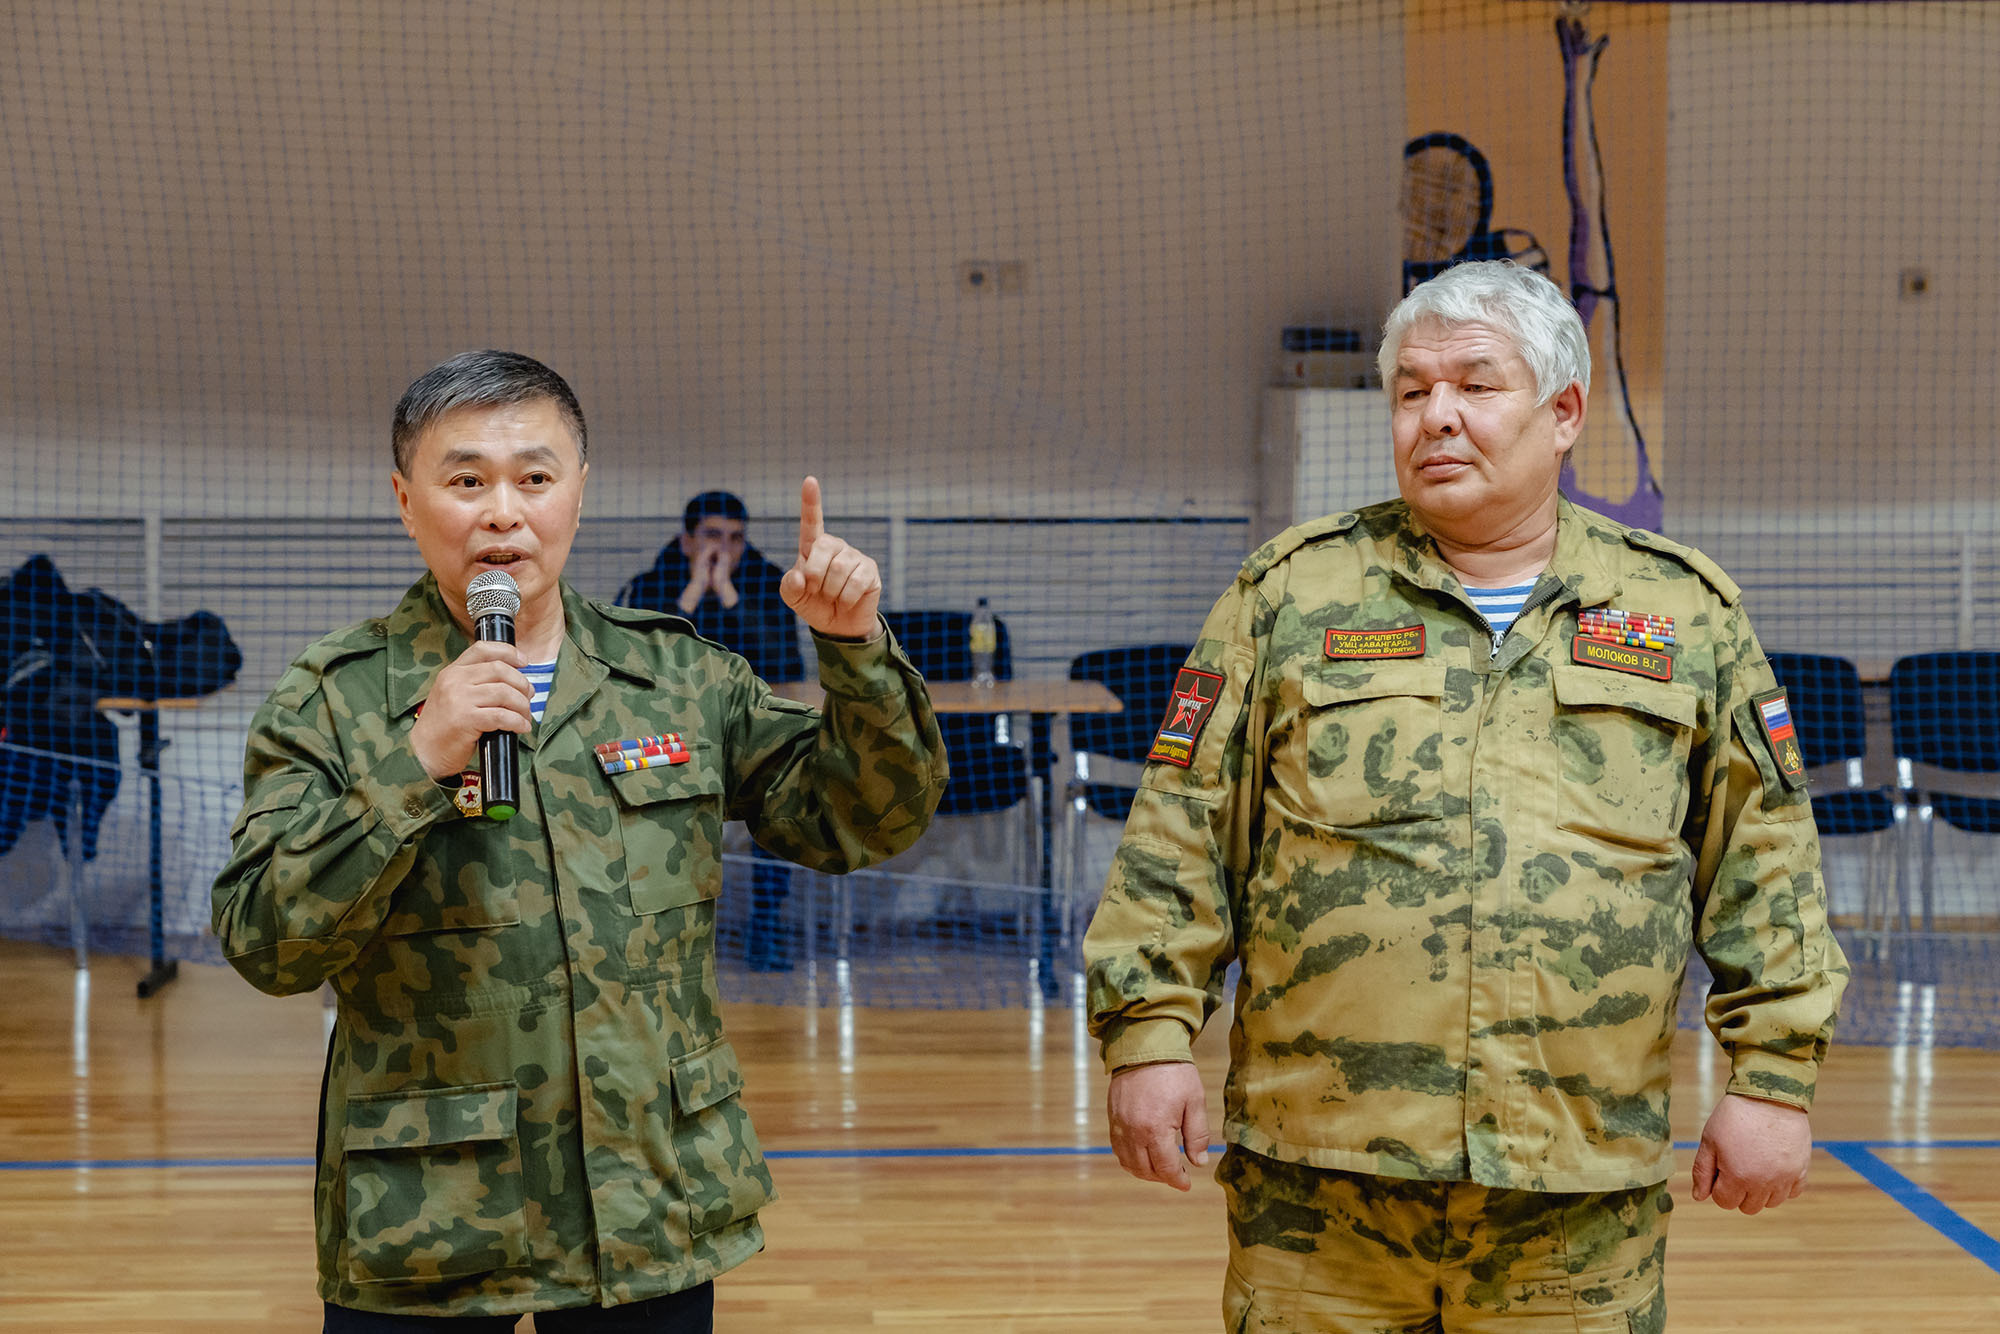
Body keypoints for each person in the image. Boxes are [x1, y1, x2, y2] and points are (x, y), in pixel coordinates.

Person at [1083, 260, 1848, 1332]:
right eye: (1410, 390)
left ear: (1564, 411)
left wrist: (1770, 1080)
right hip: (1320, 1185)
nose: (1435, 415)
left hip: (1573, 1186)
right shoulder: (1289, 594)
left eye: (1476, 385)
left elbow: (1764, 859)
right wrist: (1149, 1036)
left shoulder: (1683, 612)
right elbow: (1181, 828)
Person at [211, 349, 946, 1332]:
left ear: (578, 492)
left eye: (534, 478)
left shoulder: (678, 679)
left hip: (648, 1203)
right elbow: (266, 941)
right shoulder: (332, 698)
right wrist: (415, 762)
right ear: (405, 500)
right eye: (466, 481)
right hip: (427, 1219)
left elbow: (866, 818)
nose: (502, 513)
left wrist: (854, 650)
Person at [618, 493, 803, 971]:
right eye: (712, 536)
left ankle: (766, 927)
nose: (724, 548)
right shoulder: (652, 584)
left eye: (736, 538)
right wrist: (695, 591)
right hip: (670, 735)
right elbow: (637, 659)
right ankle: (662, 929)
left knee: (777, 799)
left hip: (746, 733)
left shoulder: (770, 584)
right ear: (687, 540)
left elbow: (786, 663)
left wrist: (727, 594)